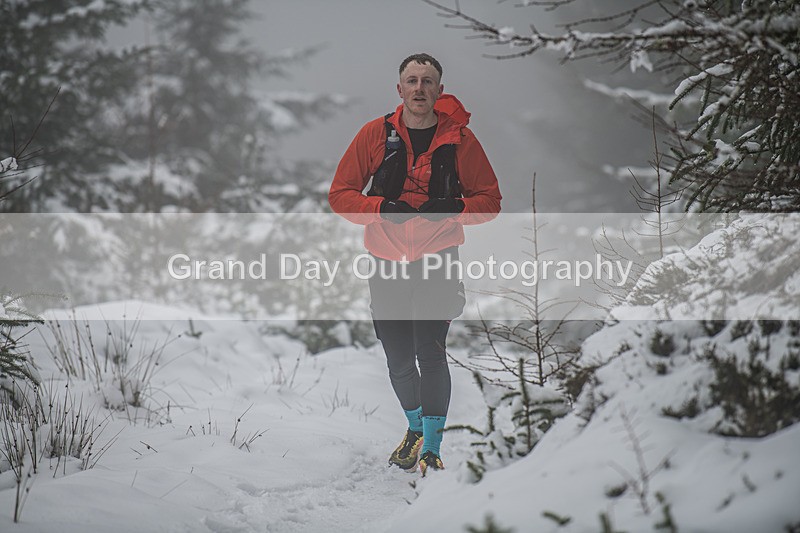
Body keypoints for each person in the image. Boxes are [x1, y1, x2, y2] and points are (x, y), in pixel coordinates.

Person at [329, 53, 501, 475]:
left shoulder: (461, 140)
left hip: (438, 259)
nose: (420, 88)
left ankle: (432, 447)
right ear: (400, 89)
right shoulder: (374, 135)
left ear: (439, 90)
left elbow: (490, 203)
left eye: (428, 81)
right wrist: (381, 208)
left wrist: (454, 209)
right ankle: (415, 428)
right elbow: (340, 194)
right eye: (412, 80)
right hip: (386, 261)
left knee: (431, 351)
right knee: (399, 358)